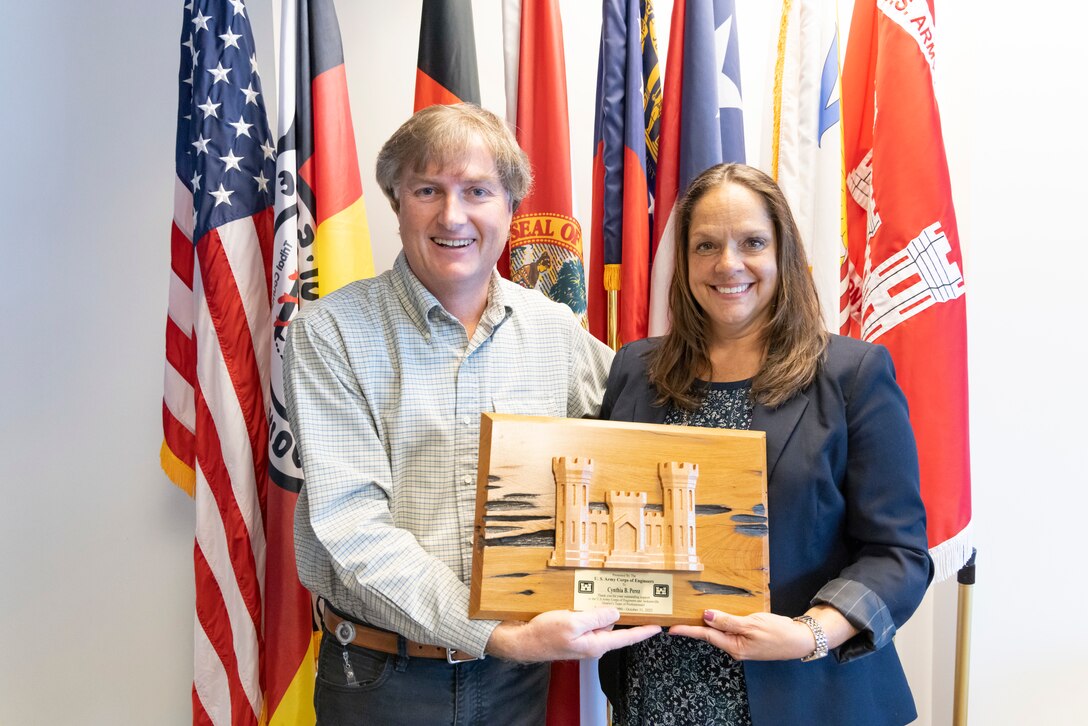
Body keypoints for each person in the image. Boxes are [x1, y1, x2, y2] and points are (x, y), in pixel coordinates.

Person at [283, 103, 659, 726]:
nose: (452, 215)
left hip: (515, 686)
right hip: (383, 682)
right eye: (427, 189)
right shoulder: (330, 334)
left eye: (477, 191)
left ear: (511, 207)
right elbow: (352, 526)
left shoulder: (555, 331)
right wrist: (495, 632)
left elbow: (645, 433)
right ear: (396, 202)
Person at [598, 164, 933, 725]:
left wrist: (810, 634)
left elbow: (898, 554)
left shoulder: (853, 374)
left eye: (752, 242)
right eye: (706, 245)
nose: (728, 264)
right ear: (683, 262)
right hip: (656, 697)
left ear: (782, 252)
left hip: (809, 692)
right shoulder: (636, 368)